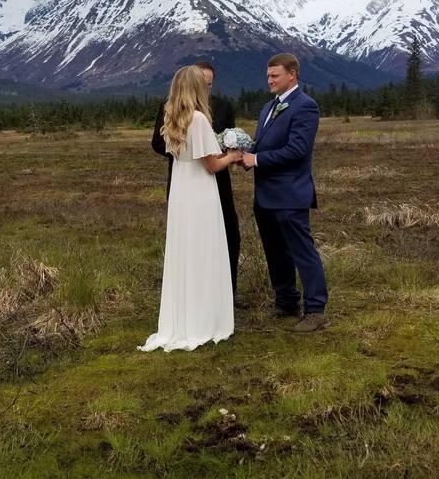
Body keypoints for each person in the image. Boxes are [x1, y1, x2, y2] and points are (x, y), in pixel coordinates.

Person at [139, 65, 243, 352]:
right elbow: (211, 164)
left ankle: (184, 316)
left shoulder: (173, 115)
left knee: (185, 252)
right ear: (196, 88)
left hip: (181, 190)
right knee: (205, 251)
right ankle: (205, 318)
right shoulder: (198, 119)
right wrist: (233, 155)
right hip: (200, 191)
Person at [241, 53, 330, 333]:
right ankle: (286, 301)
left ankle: (316, 310)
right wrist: (241, 153)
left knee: (302, 252)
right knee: (275, 252)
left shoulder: (305, 106)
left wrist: (255, 160)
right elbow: (264, 144)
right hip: (265, 196)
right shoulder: (267, 108)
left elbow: (297, 151)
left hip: (290, 195)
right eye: (268, 75)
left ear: (292, 75)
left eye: (275, 75)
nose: (269, 80)